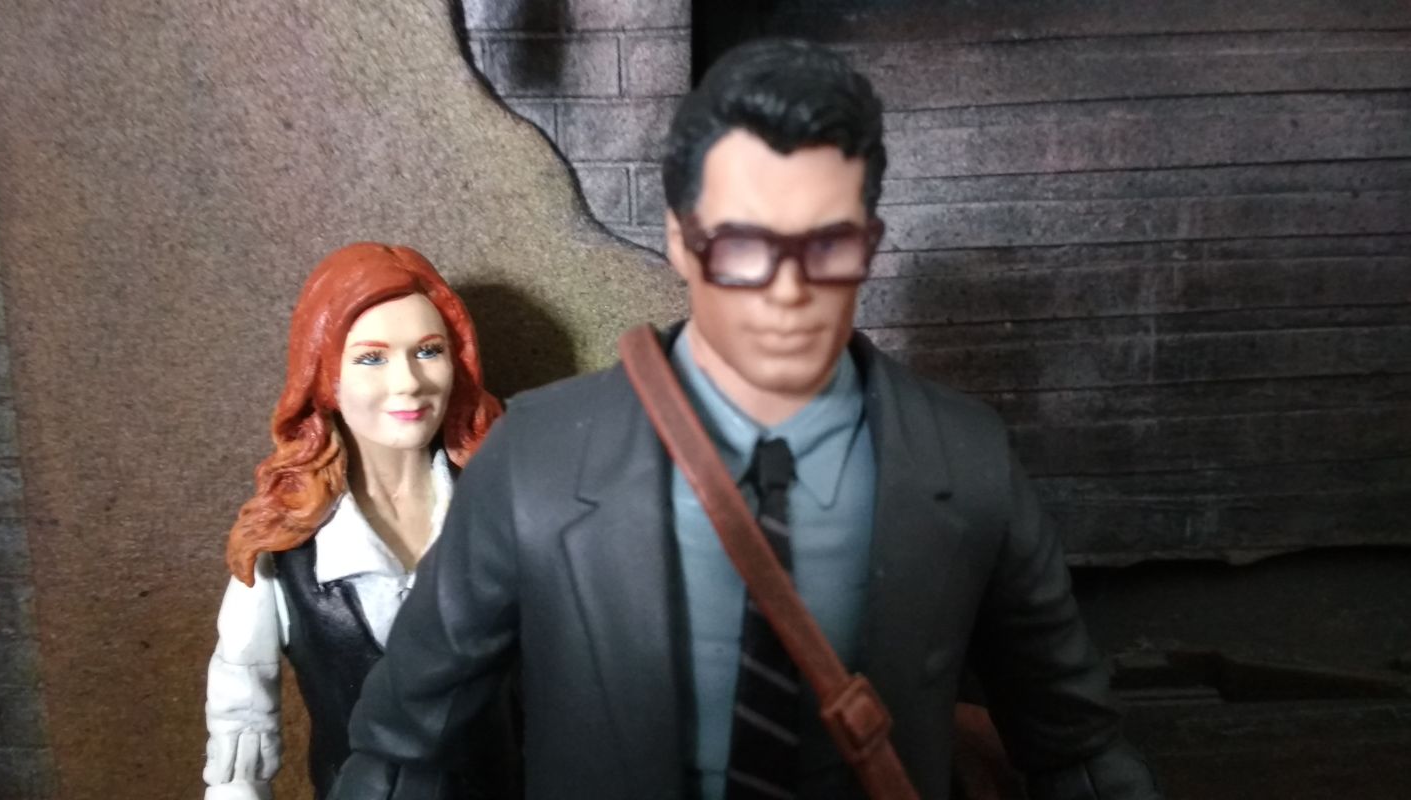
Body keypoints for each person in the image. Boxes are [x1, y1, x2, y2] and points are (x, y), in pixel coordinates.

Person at [331, 40, 1162, 800]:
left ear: (870, 244)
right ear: (681, 241)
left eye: (827, 244)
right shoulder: (537, 459)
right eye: (742, 246)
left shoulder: (966, 460)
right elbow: (403, 750)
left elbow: (1076, 748)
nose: (787, 291)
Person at [202, 242, 510, 800]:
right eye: (372, 358)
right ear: (326, 378)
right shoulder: (284, 550)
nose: (408, 382)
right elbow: (240, 735)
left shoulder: (506, 513)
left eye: (428, 351)